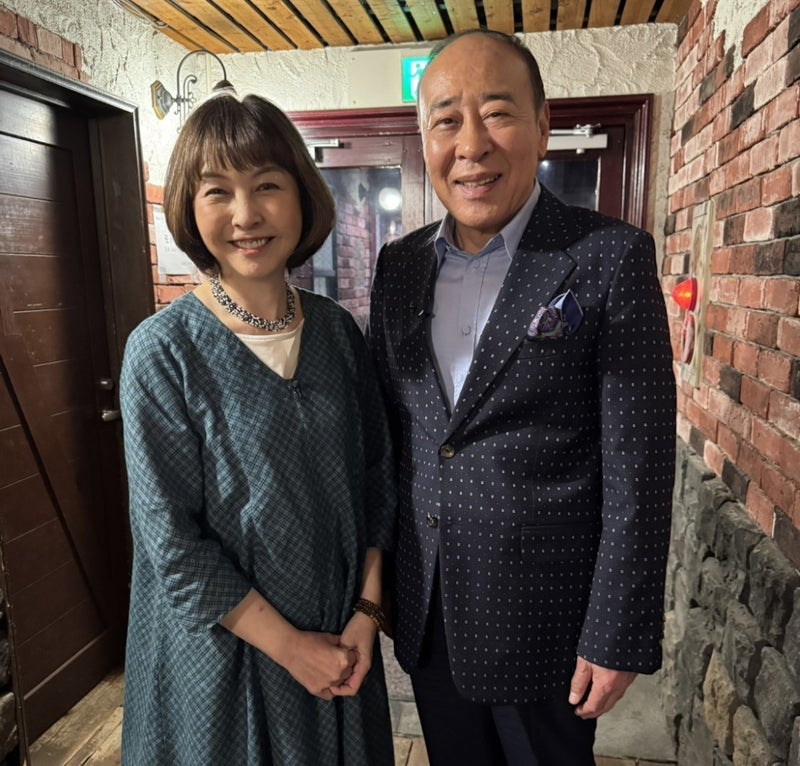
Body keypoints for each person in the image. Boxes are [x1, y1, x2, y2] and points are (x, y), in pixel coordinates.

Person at [369, 30, 676, 766]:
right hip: (431, 611)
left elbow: (639, 466)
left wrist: (617, 632)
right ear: (425, 138)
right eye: (446, 120)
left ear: (542, 125)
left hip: (549, 623)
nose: (471, 145)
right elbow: (395, 438)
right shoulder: (399, 266)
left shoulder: (608, 256)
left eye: (497, 113)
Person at [119, 91, 396, 765]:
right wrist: (293, 649)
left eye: (267, 185)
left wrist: (366, 615)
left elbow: (377, 481)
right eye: (218, 191)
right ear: (189, 208)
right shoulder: (162, 352)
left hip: (341, 645)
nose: (246, 215)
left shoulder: (336, 333)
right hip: (222, 662)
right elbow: (171, 543)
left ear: (301, 196)